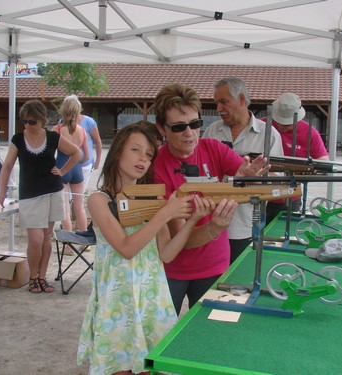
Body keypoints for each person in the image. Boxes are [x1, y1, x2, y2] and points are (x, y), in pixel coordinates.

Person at [77, 123, 213, 375]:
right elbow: (126, 248)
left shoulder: (152, 199)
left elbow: (167, 253)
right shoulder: (99, 200)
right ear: (117, 152)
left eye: (149, 155)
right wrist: (165, 214)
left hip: (152, 299)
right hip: (118, 302)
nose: (143, 159)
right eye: (136, 150)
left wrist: (192, 220)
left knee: (154, 368)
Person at [152, 82, 271, 315]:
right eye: (179, 127)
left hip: (215, 265)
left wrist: (246, 179)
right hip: (171, 270)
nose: (190, 133)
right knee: (161, 339)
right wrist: (214, 227)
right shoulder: (155, 167)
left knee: (211, 335)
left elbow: (246, 176)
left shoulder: (214, 148)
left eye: (195, 124)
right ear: (161, 128)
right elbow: (179, 239)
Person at [0, 100, 81, 294]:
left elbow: (77, 152)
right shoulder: (18, 139)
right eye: (24, 121)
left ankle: (42, 277)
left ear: (42, 120)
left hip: (53, 191)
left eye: (31, 121)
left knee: (48, 237)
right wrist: (1, 192)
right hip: (30, 195)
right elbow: (6, 166)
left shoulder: (53, 137)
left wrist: (63, 170)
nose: (27, 125)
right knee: (36, 239)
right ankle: (33, 277)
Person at [203, 77, 284, 264]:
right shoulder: (211, 132)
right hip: (210, 226)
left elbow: (277, 183)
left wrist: (256, 178)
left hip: (246, 226)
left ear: (241, 99)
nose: (218, 109)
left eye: (224, 102)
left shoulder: (268, 134)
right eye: (216, 103)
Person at [262, 92, 330, 223]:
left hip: (288, 196)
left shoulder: (310, 132)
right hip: (258, 193)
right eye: (279, 121)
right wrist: (269, 173)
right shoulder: (263, 125)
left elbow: (324, 163)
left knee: (281, 230)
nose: (281, 126)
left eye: (286, 124)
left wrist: (303, 173)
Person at [52, 95, 90, 233]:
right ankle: (84, 240)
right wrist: (79, 163)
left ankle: (68, 245)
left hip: (61, 167)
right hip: (77, 169)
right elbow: (87, 155)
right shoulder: (82, 130)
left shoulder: (57, 129)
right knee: (79, 207)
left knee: (65, 208)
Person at [77, 103, 103, 192]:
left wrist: (98, 160)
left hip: (85, 164)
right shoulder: (62, 122)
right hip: (68, 164)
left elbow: (98, 141)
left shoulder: (89, 121)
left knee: (79, 193)